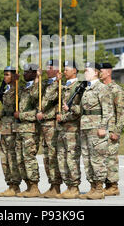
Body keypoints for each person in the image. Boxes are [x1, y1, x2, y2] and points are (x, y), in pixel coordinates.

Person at [79, 62, 113, 200]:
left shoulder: (102, 88)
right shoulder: (86, 89)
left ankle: (99, 188)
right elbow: (84, 110)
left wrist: (103, 127)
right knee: (87, 159)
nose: (85, 73)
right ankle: (92, 187)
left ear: (95, 72)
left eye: (87, 71)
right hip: (86, 127)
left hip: (96, 127)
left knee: (97, 159)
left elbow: (108, 110)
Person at [0, 66, 21, 197]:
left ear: (14, 76)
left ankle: (15, 185)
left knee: (12, 157)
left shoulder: (18, 90)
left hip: (13, 128)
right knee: (4, 158)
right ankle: (10, 184)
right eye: (4, 75)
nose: (5, 77)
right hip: (4, 128)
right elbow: (5, 111)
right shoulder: (5, 90)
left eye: (7, 75)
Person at [35, 59, 62, 198]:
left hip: (53, 124)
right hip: (44, 124)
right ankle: (52, 184)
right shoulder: (44, 83)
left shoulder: (59, 84)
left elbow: (47, 100)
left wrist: (57, 82)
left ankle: (56, 185)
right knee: (46, 157)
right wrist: (37, 79)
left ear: (57, 69)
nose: (47, 70)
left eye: (50, 67)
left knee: (53, 156)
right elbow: (34, 96)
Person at [55, 61, 82, 199]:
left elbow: (79, 110)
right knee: (61, 158)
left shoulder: (78, 86)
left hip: (72, 128)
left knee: (71, 158)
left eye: (67, 69)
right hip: (61, 129)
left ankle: (74, 187)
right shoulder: (63, 85)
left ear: (75, 71)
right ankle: (68, 185)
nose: (64, 72)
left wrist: (64, 116)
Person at [14, 64, 41, 197]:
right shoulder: (24, 88)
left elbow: (38, 111)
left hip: (30, 129)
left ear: (34, 73)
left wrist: (22, 115)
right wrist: (15, 82)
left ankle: (34, 186)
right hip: (20, 129)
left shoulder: (38, 88)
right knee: (20, 159)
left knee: (29, 157)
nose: (24, 74)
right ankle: (28, 185)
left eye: (27, 72)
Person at [99, 62, 124, 196]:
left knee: (111, 158)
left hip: (111, 130)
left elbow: (121, 112)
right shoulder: (100, 88)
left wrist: (117, 131)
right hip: (102, 129)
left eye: (101, 70)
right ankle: (107, 184)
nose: (99, 72)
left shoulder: (116, 89)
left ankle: (113, 186)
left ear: (108, 72)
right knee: (103, 158)